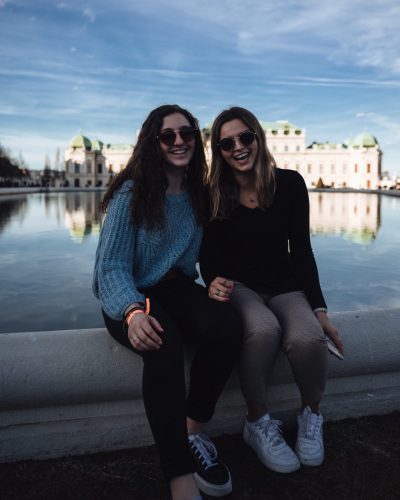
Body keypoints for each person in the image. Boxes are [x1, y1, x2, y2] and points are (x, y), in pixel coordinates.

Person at [93, 104, 243, 500]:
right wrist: (130, 312)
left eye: (186, 133)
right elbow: (109, 268)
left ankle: (192, 431)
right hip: (130, 293)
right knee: (164, 343)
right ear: (153, 144)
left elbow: (209, 252)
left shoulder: (197, 194)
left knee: (228, 324)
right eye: (168, 135)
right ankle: (179, 478)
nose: (179, 142)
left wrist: (212, 283)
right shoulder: (133, 192)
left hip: (176, 288)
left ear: (196, 139)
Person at [200, 106, 344, 474]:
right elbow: (209, 256)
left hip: (284, 285)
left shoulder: (291, 183)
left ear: (258, 138)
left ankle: (312, 415)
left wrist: (320, 309)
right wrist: (213, 279)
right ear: (218, 151)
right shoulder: (213, 192)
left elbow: (303, 251)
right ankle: (257, 421)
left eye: (245, 137)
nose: (238, 147)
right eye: (227, 143)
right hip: (240, 287)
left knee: (309, 338)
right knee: (264, 330)